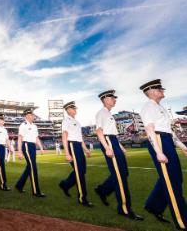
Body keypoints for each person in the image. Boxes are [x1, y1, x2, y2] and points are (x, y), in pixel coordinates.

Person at [140, 79, 187, 230]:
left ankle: (153, 205)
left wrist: (182, 146)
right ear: (152, 91)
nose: (163, 91)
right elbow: (149, 130)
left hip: (166, 140)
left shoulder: (160, 107)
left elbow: (169, 131)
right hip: (159, 141)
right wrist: (158, 152)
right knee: (171, 182)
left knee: (175, 178)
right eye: (160, 89)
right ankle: (182, 222)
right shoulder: (148, 107)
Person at [94, 90, 143, 221]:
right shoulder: (101, 113)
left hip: (114, 142)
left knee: (123, 173)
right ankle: (124, 209)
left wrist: (121, 147)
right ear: (105, 99)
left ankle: (102, 190)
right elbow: (99, 131)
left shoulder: (109, 114)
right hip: (109, 142)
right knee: (120, 176)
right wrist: (107, 148)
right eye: (112, 97)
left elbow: (114, 134)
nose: (115, 99)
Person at [58, 101, 93, 207]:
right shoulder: (66, 120)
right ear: (68, 110)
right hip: (71, 146)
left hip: (78, 146)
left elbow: (80, 138)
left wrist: (86, 149)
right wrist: (67, 153)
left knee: (82, 171)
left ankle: (65, 185)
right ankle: (82, 198)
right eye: (74, 108)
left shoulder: (77, 122)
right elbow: (64, 136)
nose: (76, 110)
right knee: (79, 173)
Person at [15, 108, 46, 197]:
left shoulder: (34, 126)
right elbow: (20, 138)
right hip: (26, 146)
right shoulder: (23, 125)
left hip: (32, 146)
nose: (33, 116)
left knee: (29, 167)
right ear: (27, 116)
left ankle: (19, 185)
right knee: (33, 167)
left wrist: (41, 147)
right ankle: (36, 191)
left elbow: (36, 138)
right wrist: (19, 151)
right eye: (32, 115)